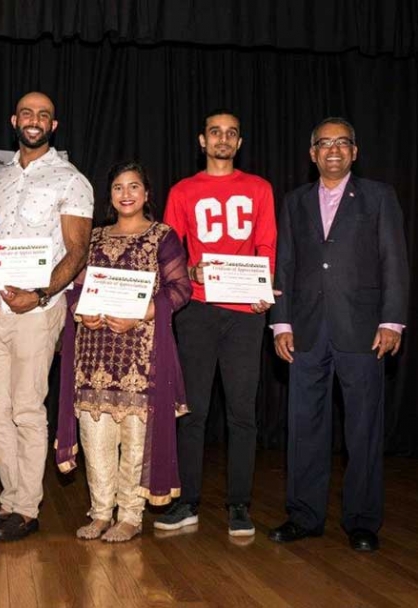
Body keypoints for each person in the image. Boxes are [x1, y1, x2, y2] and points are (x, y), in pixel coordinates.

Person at [268, 118, 408, 552]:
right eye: (323, 144)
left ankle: (362, 521)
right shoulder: (294, 202)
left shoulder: (379, 196)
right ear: (312, 154)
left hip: (364, 330)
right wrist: (281, 322)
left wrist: (392, 321)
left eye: (341, 143)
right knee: (304, 426)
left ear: (354, 151)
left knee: (363, 427)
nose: (332, 150)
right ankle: (304, 515)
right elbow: (285, 263)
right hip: (306, 330)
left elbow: (395, 261)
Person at [0, 91, 94, 541]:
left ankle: (27, 508)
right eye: (27, 113)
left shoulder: (71, 179)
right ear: (13, 119)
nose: (34, 120)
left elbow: (77, 251)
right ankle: (9, 499)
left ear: (53, 126)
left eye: (44, 115)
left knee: (25, 408)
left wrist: (40, 295)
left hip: (37, 311)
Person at [156, 110, 276, 537]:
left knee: (242, 412)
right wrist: (190, 272)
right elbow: (170, 250)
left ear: (239, 143)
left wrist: (264, 287)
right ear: (202, 141)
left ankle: (238, 505)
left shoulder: (259, 188)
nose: (222, 139)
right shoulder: (183, 190)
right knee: (193, 411)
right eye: (214, 132)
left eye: (231, 133)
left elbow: (266, 242)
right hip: (199, 310)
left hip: (244, 311)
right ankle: (186, 501)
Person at [59, 162, 191, 543]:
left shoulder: (162, 236)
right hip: (94, 352)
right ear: (110, 195)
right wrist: (83, 309)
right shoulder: (95, 237)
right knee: (94, 436)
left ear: (147, 194)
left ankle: (130, 515)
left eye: (134, 186)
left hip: (141, 355)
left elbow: (180, 289)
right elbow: (76, 287)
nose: (126, 194)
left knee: (136, 438)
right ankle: (100, 512)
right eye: (118, 187)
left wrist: (142, 313)